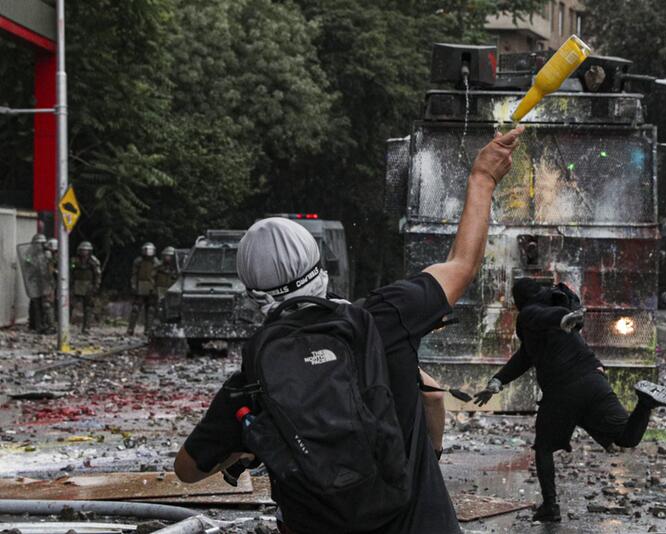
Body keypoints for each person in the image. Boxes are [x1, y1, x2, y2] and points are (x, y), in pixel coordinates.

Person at [174, 126, 525, 533]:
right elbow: (462, 265)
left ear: (253, 295)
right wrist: (482, 178)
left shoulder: (253, 383)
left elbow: (186, 470)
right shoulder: (385, 318)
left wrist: (246, 447)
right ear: (319, 267)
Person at [473, 278, 666, 523]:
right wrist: (497, 381)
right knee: (626, 437)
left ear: (518, 301)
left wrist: (561, 317)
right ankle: (645, 403)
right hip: (593, 380)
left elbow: (538, 315)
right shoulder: (547, 324)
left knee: (544, 448)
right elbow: (525, 356)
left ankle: (550, 506)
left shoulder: (531, 313)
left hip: (562, 392)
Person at [128, 242, 160, 335]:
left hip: (151, 287)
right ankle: (130, 329)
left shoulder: (156, 262)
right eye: (146, 250)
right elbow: (134, 274)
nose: (148, 252)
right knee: (135, 308)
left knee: (150, 309)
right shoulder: (138, 261)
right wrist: (133, 285)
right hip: (140, 286)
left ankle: (148, 330)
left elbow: (157, 277)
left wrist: (155, 288)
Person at [71, 241, 102, 334]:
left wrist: (96, 286)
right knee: (70, 304)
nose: (84, 252)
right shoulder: (75, 260)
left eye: (86, 250)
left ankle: (86, 327)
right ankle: (65, 325)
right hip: (76, 284)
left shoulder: (93, 261)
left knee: (88, 307)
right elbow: (70, 270)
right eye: (82, 250)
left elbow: (97, 274)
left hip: (88, 285)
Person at [27, 233, 53, 333]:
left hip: (46, 283)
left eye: (40, 243)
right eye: (36, 244)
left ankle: (50, 326)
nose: (38, 246)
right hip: (35, 282)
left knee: (46, 305)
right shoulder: (30, 255)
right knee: (36, 305)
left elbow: (52, 268)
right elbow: (27, 264)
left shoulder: (48, 255)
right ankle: (38, 326)